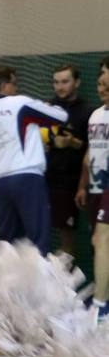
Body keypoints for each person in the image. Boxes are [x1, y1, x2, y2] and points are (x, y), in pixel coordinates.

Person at [0, 64, 69, 253]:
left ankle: (6, 282)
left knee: (7, 241)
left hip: (0, 182)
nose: (16, 89)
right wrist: (47, 107)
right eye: (14, 84)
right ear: (5, 85)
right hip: (28, 178)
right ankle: (38, 282)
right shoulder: (19, 104)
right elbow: (61, 116)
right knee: (38, 237)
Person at [43, 63, 92, 257]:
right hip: (55, 181)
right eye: (56, 82)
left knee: (97, 235)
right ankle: (60, 283)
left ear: (77, 82)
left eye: (65, 81)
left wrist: (73, 143)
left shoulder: (88, 112)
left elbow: (91, 148)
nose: (60, 87)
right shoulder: (46, 109)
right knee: (64, 238)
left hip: (83, 181)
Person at [78, 58, 109, 321]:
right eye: (98, 83)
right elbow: (90, 152)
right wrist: (82, 184)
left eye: (105, 82)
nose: (101, 87)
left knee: (102, 240)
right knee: (98, 241)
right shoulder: (96, 115)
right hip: (97, 187)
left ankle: (101, 303)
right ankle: (102, 295)